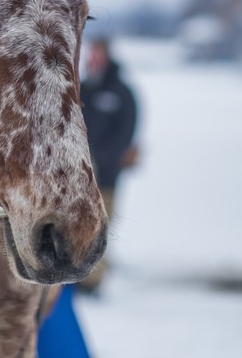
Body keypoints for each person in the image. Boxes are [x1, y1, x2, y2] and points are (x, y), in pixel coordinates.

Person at [77, 36, 138, 293]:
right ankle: (75, 276)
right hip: (76, 178)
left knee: (100, 226)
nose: (93, 58)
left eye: (98, 53)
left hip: (105, 177)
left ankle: (93, 281)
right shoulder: (82, 88)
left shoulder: (121, 92)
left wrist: (101, 158)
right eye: (91, 53)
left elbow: (126, 132)